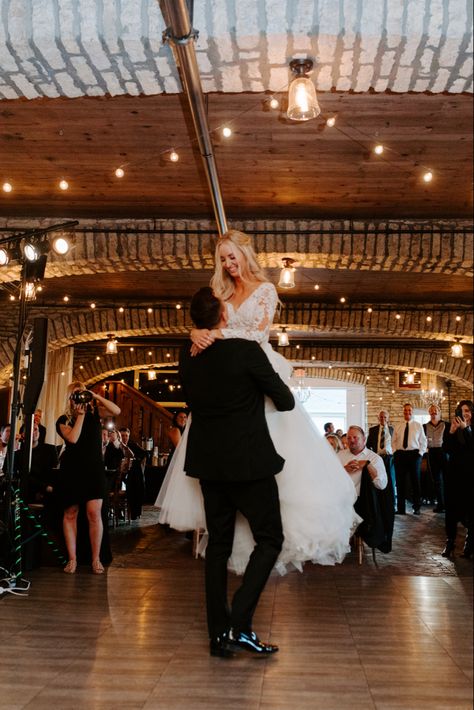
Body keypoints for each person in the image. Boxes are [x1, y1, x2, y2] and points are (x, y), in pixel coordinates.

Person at [156, 229, 359, 573]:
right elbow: (207, 323)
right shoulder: (220, 291)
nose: (228, 263)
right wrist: (196, 331)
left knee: (270, 449)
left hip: (258, 369)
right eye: (222, 258)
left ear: (246, 254)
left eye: (232, 256)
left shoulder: (265, 290)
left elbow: (257, 334)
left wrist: (217, 334)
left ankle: (275, 521)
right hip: (230, 379)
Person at [180, 287, 295, 656]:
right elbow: (286, 400)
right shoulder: (247, 351)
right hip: (249, 464)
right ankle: (239, 623)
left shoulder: (189, 354)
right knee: (271, 538)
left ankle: (217, 635)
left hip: (209, 465)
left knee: (217, 546)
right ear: (225, 317)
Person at [56, 381, 120, 574]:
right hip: (72, 470)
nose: (79, 397)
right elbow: (73, 439)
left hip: (93, 469)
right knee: (71, 513)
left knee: (94, 513)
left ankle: (96, 559)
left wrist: (96, 396)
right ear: (69, 398)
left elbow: (115, 410)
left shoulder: (95, 413)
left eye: (81, 394)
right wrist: (80, 416)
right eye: (75, 394)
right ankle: (72, 559)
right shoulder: (63, 420)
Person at [441, 400, 473, 559]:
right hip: (454, 475)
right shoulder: (451, 427)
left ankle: (470, 543)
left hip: (470, 476)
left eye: (467, 410)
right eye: (462, 411)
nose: (464, 413)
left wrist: (466, 428)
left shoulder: (470, 429)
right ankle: (450, 542)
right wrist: (452, 432)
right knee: (451, 510)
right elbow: (446, 449)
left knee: (470, 509)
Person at [392, 403, 427, 515]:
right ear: (403, 412)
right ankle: (401, 509)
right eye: (405, 410)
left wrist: (420, 454)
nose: (407, 412)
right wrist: (395, 453)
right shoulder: (398, 425)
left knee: (415, 482)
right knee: (400, 482)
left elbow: (423, 441)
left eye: (409, 410)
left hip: (414, 455)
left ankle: (416, 507)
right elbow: (393, 441)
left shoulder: (418, 425)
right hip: (400, 455)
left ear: (412, 412)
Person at [338, 426, 388, 496]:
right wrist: (343, 470)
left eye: (355, 437)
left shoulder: (375, 458)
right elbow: (329, 478)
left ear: (364, 439)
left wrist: (368, 465)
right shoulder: (339, 456)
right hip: (342, 497)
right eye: (349, 438)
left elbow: (382, 485)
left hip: (364, 501)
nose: (352, 440)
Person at [366, 409, 396, 508]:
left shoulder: (392, 429)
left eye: (385, 417)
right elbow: (368, 445)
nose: (383, 419)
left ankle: (392, 503)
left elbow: (395, 443)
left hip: (389, 458)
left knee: (391, 480)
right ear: (378, 418)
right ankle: (379, 502)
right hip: (377, 458)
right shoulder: (373, 430)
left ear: (388, 418)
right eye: (381, 417)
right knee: (378, 479)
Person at [423, 405, 447, 513]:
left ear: (439, 412)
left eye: (435, 411)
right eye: (431, 411)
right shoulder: (425, 426)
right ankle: (440, 505)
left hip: (443, 453)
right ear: (429, 413)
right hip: (432, 453)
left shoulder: (445, 425)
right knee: (436, 480)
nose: (433, 413)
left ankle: (448, 504)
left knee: (446, 479)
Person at [119, 427, 147, 520]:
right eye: (122, 435)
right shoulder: (116, 445)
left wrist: (137, 461)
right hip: (120, 472)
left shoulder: (132, 444)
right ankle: (119, 511)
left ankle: (135, 512)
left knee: (135, 481)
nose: (124, 437)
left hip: (132, 472)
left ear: (129, 436)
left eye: (126, 435)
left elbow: (145, 454)